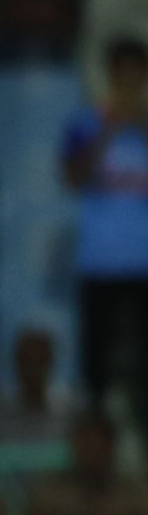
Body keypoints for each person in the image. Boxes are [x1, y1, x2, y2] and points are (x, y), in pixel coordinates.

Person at [63, 36, 148, 424]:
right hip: (100, 262)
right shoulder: (85, 123)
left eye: (136, 73)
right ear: (111, 75)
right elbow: (73, 176)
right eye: (122, 73)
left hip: (143, 261)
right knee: (96, 370)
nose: (129, 80)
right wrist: (109, 129)